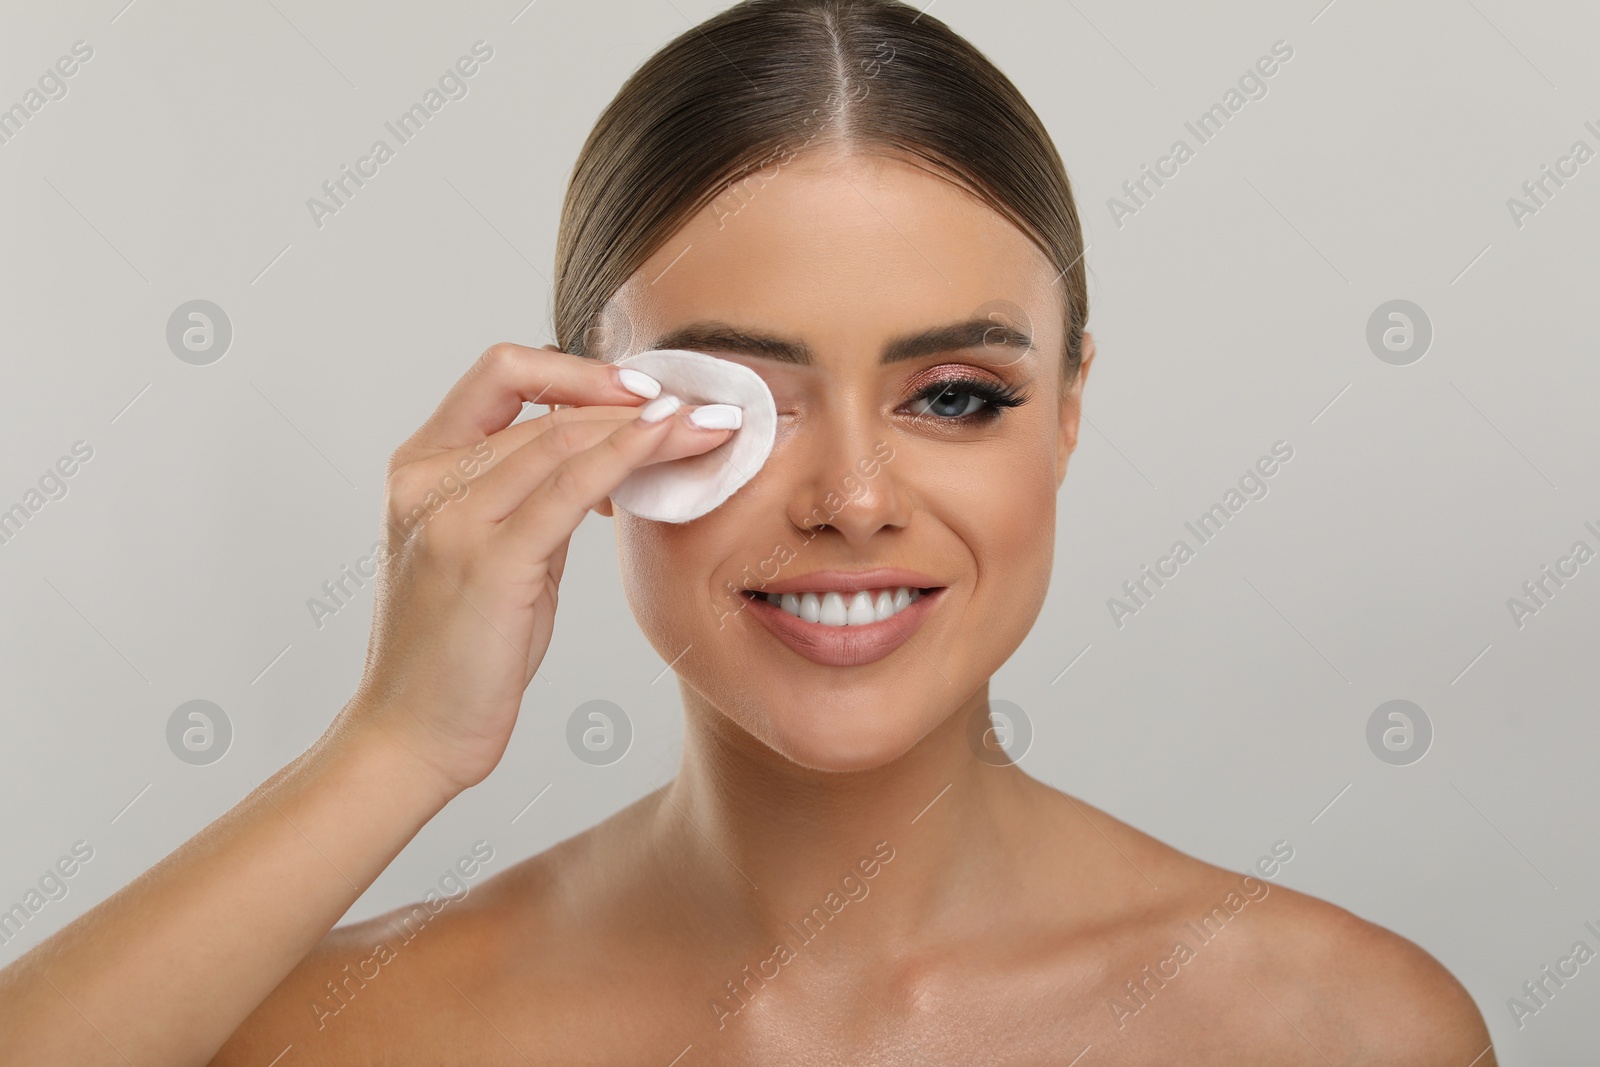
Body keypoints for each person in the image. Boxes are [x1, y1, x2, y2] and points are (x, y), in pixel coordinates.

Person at [0, 1, 1496, 1062]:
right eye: (742, 404)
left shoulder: (1341, 1032)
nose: (852, 498)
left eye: (956, 396)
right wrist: (396, 744)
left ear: (1071, 409)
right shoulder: (334, 1032)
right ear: (585, 426)